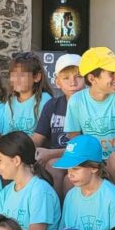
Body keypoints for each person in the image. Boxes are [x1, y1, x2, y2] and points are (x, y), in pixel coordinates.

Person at [64, 47, 115, 195]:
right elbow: (76, 143)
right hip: (93, 161)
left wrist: (106, 168)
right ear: (92, 78)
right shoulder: (76, 101)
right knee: (68, 180)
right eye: (111, 73)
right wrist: (93, 167)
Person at [33, 53, 85, 196]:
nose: (73, 83)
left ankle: (62, 208)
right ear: (57, 82)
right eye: (66, 78)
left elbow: (84, 147)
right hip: (58, 156)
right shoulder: (52, 105)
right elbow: (37, 138)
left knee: (53, 165)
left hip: (82, 157)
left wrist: (50, 153)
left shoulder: (90, 106)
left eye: (78, 76)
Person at [0, 51, 53, 153]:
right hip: (11, 150)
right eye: (13, 74)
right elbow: (6, 134)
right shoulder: (10, 102)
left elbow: (39, 140)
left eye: (22, 75)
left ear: (36, 77)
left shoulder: (44, 100)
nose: (16, 79)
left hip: (33, 151)